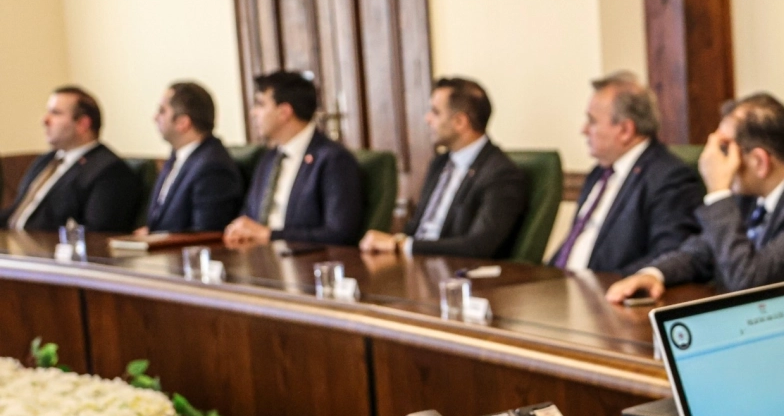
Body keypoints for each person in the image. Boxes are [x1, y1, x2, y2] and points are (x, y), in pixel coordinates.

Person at [605, 92, 784, 303]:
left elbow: (749, 285)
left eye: (724, 148)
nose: (713, 157)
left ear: (759, 161)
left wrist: (718, 192)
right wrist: (654, 274)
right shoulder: (752, 192)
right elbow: (702, 251)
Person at [547, 71, 704, 273]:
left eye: (592, 121)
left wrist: (610, 282)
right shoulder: (599, 173)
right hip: (564, 283)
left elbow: (668, 255)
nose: (583, 130)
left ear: (625, 130)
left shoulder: (668, 177)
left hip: (609, 288)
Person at [359, 77, 527, 258]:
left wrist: (402, 245)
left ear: (460, 121)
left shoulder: (501, 174)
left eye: (435, 112)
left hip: (454, 268)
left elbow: (478, 246)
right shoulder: (440, 163)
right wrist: (394, 242)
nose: (427, 119)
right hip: (414, 262)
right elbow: (415, 227)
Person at [224, 71, 364, 247]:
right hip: (258, 254)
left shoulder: (333, 160)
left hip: (305, 259)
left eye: (260, 104)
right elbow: (250, 215)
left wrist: (270, 235)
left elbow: (340, 233)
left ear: (284, 112)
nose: (253, 113)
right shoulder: (269, 158)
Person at [3, 86, 141, 233]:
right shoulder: (45, 160)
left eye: (55, 113)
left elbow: (97, 233)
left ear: (83, 124)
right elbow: (16, 211)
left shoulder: (110, 171)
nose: (45, 120)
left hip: (46, 246)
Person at [138, 82, 243, 234]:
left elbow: (206, 233)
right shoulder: (177, 157)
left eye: (162, 111)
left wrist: (157, 240)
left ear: (183, 123)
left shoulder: (213, 166)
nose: (155, 117)